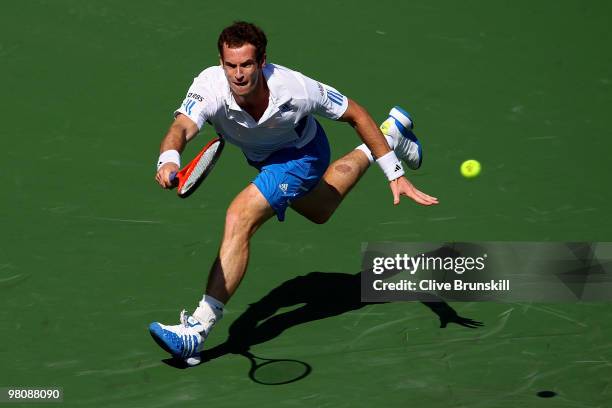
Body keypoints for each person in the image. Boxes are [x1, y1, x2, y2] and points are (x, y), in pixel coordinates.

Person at [149, 21, 438, 366]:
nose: (238, 74)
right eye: (230, 65)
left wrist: (394, 171)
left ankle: (197, 329)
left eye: (246, 65)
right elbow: (181, 126)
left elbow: (356, 113)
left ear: (262, 61)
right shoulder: (209, 86)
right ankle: (391, 134)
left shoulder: (295, 88)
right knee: (321, 208)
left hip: (303, 155)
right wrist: (169, 159)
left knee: (240, 216)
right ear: (221, 62)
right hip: (265, 158)